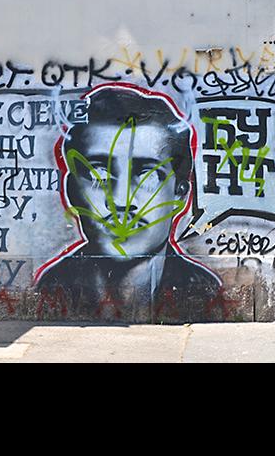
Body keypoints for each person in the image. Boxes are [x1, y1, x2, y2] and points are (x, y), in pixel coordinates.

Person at [36, 83, 221, 298]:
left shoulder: (206, 295)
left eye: (147, 175)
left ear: (180, 194)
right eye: (98, 174)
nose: (121, 199)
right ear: (71, 191)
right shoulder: (50, 291)